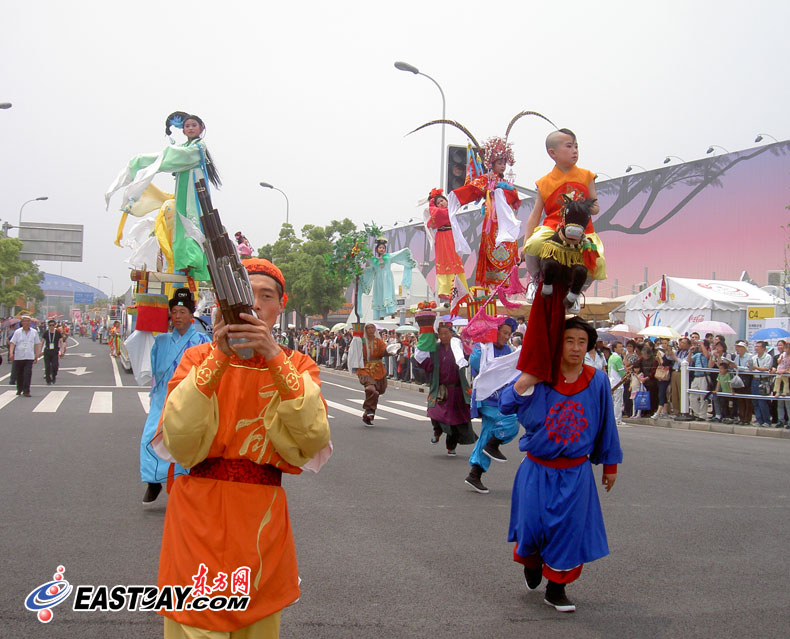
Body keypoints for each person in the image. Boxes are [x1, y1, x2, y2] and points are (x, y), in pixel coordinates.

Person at [153, 258, 331, 637]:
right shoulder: (198, 359)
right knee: (194, 624)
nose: (253, 306)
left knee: (257, 623)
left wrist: (272, 357)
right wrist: (219, 355)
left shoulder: (298, 365)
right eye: (243, 297)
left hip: (261, 517)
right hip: (196, 515)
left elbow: (312, 436)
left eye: (265, 297)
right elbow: (179, 437)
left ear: (281, 306)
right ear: (224, 303)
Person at [499, 316, 622, 613]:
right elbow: (504, 403)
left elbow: (607, 424)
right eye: (569, 341)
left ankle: (557, 588)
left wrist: (610, 464)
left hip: (576, 472)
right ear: (558, 344)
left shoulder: (598, 381)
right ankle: (531, 561)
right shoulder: (540, 378)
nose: (576, 348)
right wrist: (526, 380)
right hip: (536, 468)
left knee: (568, 530)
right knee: (531, 528)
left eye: (582, 342)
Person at [105, 111, 221, 280]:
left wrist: (150, 161)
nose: (190, 128)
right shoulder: (185, 148)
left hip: (194, 188)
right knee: (181, 224)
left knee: (191, 221)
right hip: (183, 187)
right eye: (187, 126)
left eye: (193, 125)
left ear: (201, 127)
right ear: (183, 130)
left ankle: (192, 259)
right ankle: (183, 262)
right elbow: (168, 156)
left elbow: (171, 157)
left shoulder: (197, 147)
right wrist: (140, 160)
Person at [140, 288, 211, 505]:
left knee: (183, 441)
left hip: (187, 397)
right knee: (149, 438)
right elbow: (153, 368)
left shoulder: (202, 340)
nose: (177, 316)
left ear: (192, 316)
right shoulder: (160, 341)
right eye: (174, 312)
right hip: (162, 397)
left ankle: (182, 485)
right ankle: (153, 481)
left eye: (182, 312)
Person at [522, 129, 606, 297]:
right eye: (569, 146)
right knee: (533, 245)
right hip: (553, 227)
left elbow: (595, 208)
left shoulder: (587, 176)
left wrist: (580, 207)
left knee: (599, 260)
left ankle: (577, 291)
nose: (575, 150)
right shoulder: (544, 182)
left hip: (584, 230)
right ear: (552, 153)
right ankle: (536, 279)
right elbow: (535, 215)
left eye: (576, 146)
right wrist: (525, 243)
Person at [448, 137, 522, 288]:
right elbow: (472, 190)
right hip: (492, 221)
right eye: (499, 163)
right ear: (492, 163)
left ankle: (506, 285)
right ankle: (492, 288)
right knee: (491, 249)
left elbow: (515, 199)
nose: (502, 166)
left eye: (504, 163)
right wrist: (456, 196)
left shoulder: (506, 182)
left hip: (506, 220)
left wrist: (506, 191)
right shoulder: (486, 179)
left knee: (508, 247)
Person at [465, 318, 520, 493]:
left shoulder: (508, 351)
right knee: (511, 422)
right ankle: (493, 444)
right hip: (486, 398)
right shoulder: (482, 347)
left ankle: (475, 475)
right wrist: (483, 340)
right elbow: (474, 364)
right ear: (494, 331)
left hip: (502, 399)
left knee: (487, 434)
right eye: (503, 332)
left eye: (508, 334)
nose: (506, 337)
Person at [414, 318, 477, 456]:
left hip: (457, 389)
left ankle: (451, 446)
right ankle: (437, 431)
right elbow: (424, 361)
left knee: (454, 420)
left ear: (451, 334)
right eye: (441, 334)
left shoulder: (458, 348)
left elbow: (468, 355)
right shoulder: (434, 348)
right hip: (440, 389)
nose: (443, 336)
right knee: (434, 411)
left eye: (446, 333)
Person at [424, 188, 468, 303]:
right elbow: (431, 221)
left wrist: (433, 205)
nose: (441, 204)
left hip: (450, 236)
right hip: (441, 238)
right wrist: (431, 203)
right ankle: (445, 290)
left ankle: (459, 289)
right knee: (443, 261)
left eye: (442, 201)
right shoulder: (438, 213)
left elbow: (438, 216)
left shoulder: (450, 210)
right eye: (438, 203)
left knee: (455, 260)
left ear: (447, 201)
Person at [360, 237, 416, 320]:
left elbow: (398, 255)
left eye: (383, 248)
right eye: (380, 248)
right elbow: (369, 269)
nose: (381, 249)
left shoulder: (389, 257)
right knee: (379, 295)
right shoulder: (373, 259)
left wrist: (406, 256)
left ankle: (391, 311)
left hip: (387, 279)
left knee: (388, 293)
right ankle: (380, 315)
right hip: (378, 280)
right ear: (376, 249)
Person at [357, 323, 388, 426]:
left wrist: (392, 350)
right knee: (370, 389)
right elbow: (355, 350)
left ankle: (369, 413)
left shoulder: (379, 341)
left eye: (372, 328)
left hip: (378, 369)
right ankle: (369, 410)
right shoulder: (361, 341)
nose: (370, 330)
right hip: (365, 369)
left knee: (376, 392)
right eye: (368, 328)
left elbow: (385, 350)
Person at [9, 316, 42, 397]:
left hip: (29, 356)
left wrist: (37, 354)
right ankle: (19, 388)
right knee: (19, 374)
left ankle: (26, 390)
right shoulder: (17, 332)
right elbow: (12, 343)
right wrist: (11, 353)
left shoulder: (34, 332)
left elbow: (37, 344)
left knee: (27, 374)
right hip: (19, 356)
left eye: (28, 321)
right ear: (22, 322)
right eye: (25, 321)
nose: (27, 323)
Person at [750, 341, 773, 427]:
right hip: (754, 380)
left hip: (763, 380)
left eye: (758, 346)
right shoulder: (754, 357)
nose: (756, 348)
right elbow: (751, 369)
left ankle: (766, 420)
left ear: (763, 348)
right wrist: (750, 367)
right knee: (755, 402)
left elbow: (767, 368)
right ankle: (759, 420)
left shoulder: (768, 357)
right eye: (755, 346)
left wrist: (756, 367)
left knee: (762, 402)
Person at [731, 341, 754, 425]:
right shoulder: (737, 357)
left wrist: (738, 367)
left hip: (747, 379)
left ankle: (747, 419)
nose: (737, 349)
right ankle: (741, 418)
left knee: (747, 400)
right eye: (737, 347)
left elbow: (750, 368)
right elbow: (735, 367)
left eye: (739, 347)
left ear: (744, 348)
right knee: (740, 399)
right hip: (739, 378)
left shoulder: (750, 356)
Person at [40, 319, 65, 385]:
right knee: (47, 366)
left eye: (53, 325)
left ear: (55, 325)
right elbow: (42, 342)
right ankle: (48, 380)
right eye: (50, 325)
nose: (51, 326)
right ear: (48, 326)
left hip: (55, 351)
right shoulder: (46, 333)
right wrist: (40, 351)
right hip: (47, 351)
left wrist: (62, 351)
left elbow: (61, 342)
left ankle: (54, 376)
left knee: (55, 365)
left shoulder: (57, 333)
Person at [608, 342, 627, 425]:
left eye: (622, 346)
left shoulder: (611, 357)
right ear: (615, 348)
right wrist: (626, 376)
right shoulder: (617, 358)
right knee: (618, 402)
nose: (621, 348)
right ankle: (617, 419)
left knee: (613, 402)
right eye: (619, 347)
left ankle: (612, 419)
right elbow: (621, 372)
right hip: (618, 383)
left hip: (611, 382)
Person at [773, 340, 790, 429]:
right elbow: (777, 364)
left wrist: (785, 371)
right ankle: (781, 420)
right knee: (780, 403)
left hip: (787, 381)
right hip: (780, 375)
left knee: (788, 403)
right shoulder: (781, 355)